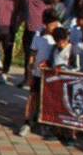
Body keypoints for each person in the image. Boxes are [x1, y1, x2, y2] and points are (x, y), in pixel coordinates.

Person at [18, 9, 61, 137]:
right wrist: (30, 69)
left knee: (48, 100)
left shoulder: (61, 33)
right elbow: (32, 53)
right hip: (37, 73)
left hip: (52, 75)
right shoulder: (38, 33)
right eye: (47, 24)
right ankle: (27, 123)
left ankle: (45, 124)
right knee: (32, 97)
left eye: (53, 24)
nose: (50, 27)